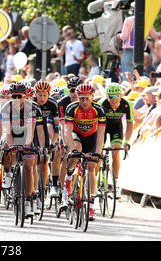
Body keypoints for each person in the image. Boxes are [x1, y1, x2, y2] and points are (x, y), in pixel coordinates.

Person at [63, 83, 106, 221]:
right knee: (77, 152)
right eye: (81, 98)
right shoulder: (72, 108)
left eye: (87, 98)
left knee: (92, 167)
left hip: (91, 137)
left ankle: (91, 205)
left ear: (92, 97)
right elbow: (67, 130)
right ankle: (69, 178)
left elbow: (100, 135)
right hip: (77, 135)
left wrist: (98, 154)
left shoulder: (99, 110)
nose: (84, 101)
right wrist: (72, 149)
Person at [1, 82, 43, 216]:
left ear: (25, 96)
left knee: (29, 166)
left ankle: (28, 200)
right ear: (10, 97)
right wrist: (13, 145)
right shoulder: (6, 108)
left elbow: (31, 132)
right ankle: (7, 174)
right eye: (14, 96)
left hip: (28, 136)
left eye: (19, 96)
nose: (16, 99)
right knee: (5, 146)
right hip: (12, 134)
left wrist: (26, 145)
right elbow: (7, 132)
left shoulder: (31, 108)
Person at [97, 83, 134, 197]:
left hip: (116, 128)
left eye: (116, 96)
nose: (113, 99)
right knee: (98, 153)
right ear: (107, 96)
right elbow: (96, 124)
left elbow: (129, 124)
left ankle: (115, 184)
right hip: (102, 127)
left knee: (116, 152)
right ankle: (98, 180)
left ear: (120, 95)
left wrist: (127, 141)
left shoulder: (127, 104)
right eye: (111, 96)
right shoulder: (101, 104)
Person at [32, 80, 59, 214]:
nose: (42, 98)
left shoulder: (53, 104)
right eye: (39, 95)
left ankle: (41, 190)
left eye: (44, 95)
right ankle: (34, 189)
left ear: (49, 95)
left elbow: (57, 127)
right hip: (32, 131)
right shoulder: (31, 102)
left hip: (44, 131)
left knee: (44, 161)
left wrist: (53, 142)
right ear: (35, 94)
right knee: (34, 159)